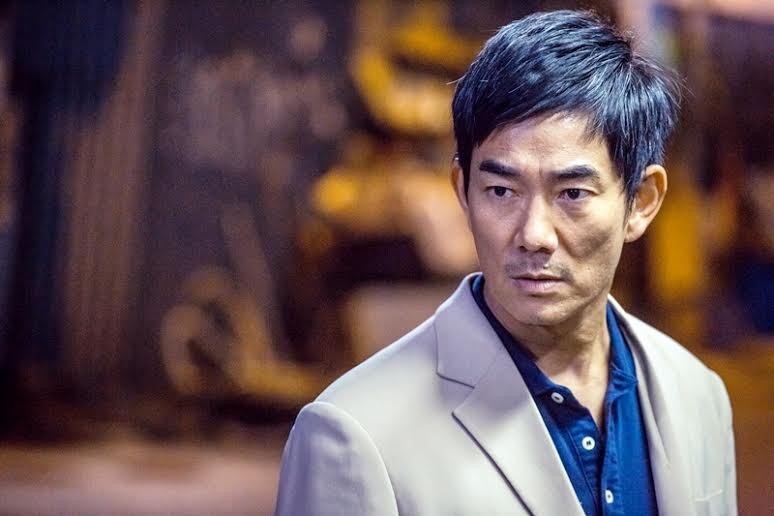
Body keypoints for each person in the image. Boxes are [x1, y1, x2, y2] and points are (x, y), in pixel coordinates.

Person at [275, 10, 736, 516]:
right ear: (463, 192)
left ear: (641, 202)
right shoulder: (354, 434)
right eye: (501, 190)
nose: (533, 235)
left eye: (572, 193)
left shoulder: (696, 397)